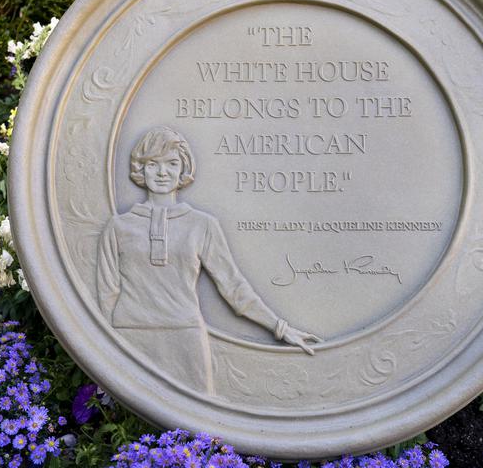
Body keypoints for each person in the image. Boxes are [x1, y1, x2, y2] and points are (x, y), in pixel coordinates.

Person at [96, 126, 321, 394]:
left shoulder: (202, 225)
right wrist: (106, 350)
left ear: (183, 169)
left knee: (196, 426)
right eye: (152, 164)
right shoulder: (118, 227)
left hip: (184, 336)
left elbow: (233, 286)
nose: (162, 172)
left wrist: (280, 328)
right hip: (129, 335)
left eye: (171, 163)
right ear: (140, 169)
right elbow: (107, 292)